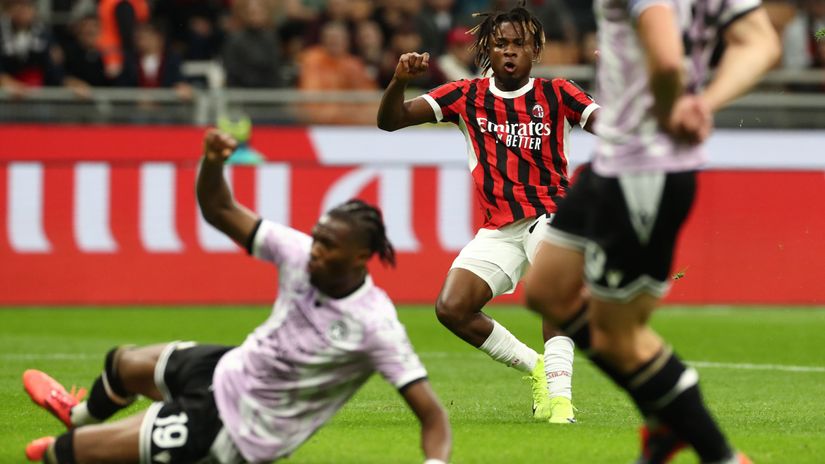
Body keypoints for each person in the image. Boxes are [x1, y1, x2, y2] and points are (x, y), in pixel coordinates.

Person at [22, 129, 452, 464]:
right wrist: (212, 164)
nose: (314, 251)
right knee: (122, 364)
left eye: (328, 246)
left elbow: (433, 415)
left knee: (65, 453)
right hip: (228, 368)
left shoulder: (374, 325)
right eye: (316, 238)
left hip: (238, 428)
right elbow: (219, 209)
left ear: (360, 258)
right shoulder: (299, 253)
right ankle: (76, 412)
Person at [523, 0, 780, 462]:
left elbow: (664, 58)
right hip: (613, 164)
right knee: (547, 290)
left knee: (620, 336)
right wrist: (703, 103)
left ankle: (717, 451)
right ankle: (664, 415)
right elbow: (760, 42)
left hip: (643, 170)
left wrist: (671, 105)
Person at [377, 2, 600, 424]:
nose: (510, 51)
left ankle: (561, 401)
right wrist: (398, 81)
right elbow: (391, 121)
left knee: (554, 294)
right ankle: (535, 367)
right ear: (487, 50)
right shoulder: (466, 96)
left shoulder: (559, 93)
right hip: (500, 227)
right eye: (501, 44)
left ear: (535, 50)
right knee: (452, 308)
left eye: (520, 44)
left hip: (551, 215)